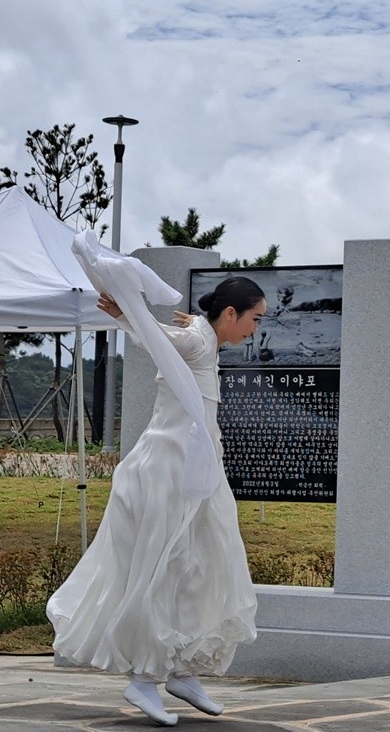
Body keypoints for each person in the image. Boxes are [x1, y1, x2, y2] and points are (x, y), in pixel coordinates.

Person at [46, 275, 267, 727]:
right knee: (161, 568)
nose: (255, 329)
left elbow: (171, 336)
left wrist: (142, 320)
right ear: (230, 314)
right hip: (166, 473)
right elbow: (160, 337)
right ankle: (145, 676)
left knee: (196, 566)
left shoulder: (202, 339)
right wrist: (129, 316)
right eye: (254, 319)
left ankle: (181, 669)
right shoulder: (196, 342)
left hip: (194, 474)